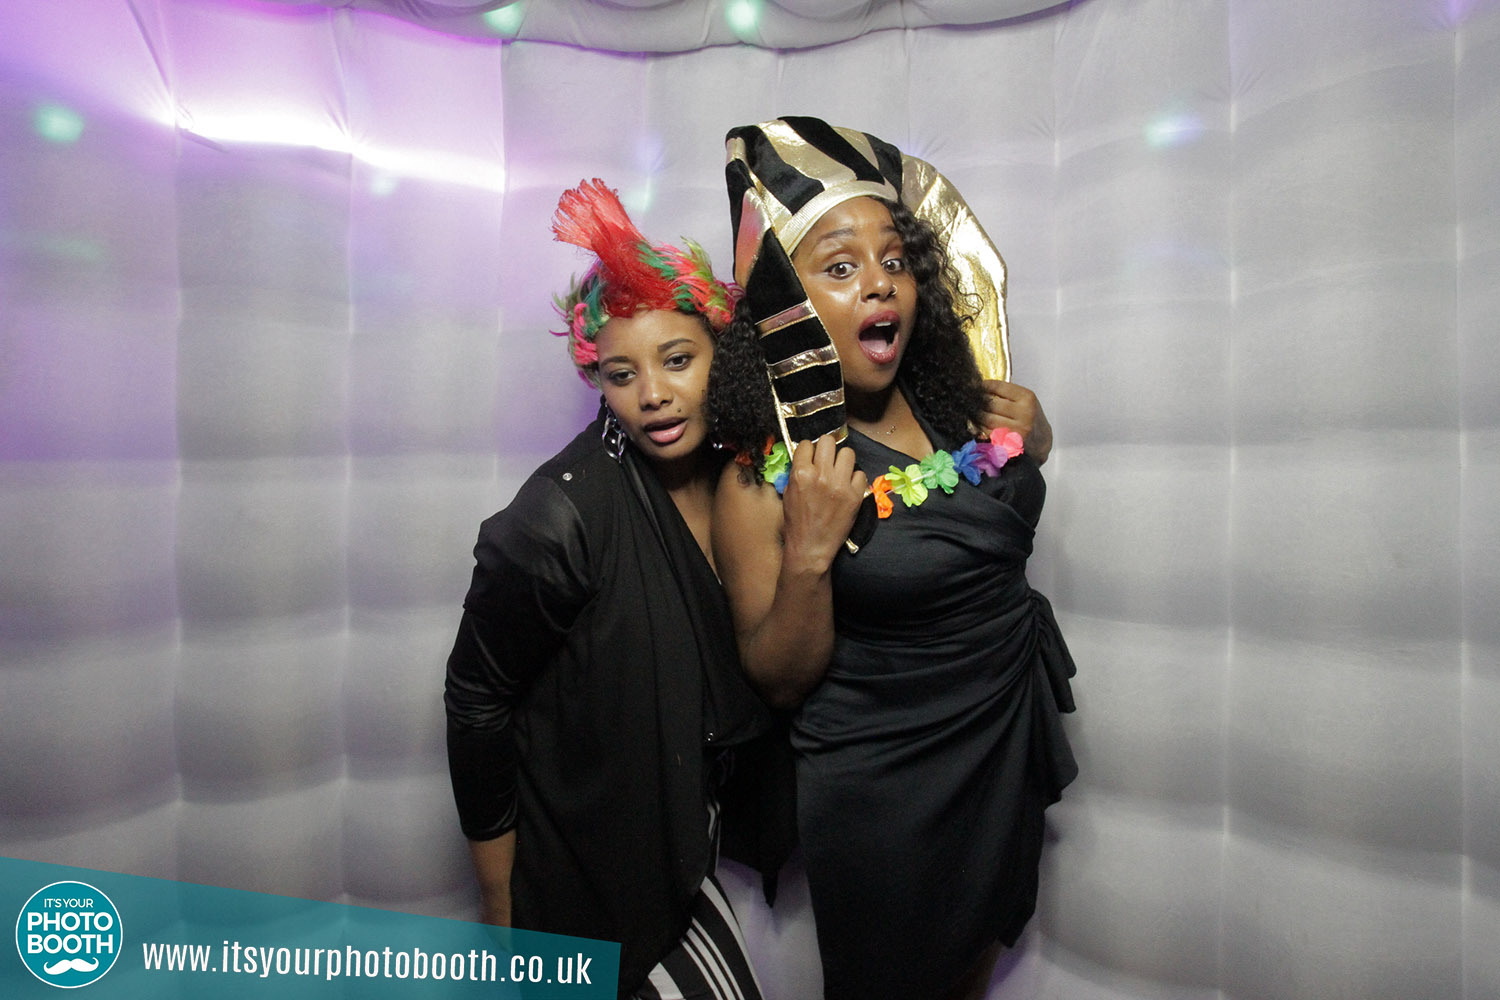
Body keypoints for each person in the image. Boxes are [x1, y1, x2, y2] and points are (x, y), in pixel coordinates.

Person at [707, 117, 1078, 1000]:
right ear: (787, 307)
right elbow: (777, 682)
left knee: (973, 968)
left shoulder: (951, 398)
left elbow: (995, 505)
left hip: (999, 735)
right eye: (840, 268)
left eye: (894, 260)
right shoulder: (760, 476)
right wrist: (810, 554)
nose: (880, 283)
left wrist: (1037, 438)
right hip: (887, 791)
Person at [444, 179, 775, 1000]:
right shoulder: (560, 515)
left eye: (678, 360)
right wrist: (499, 902)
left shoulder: (740, 470)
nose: (653, 394)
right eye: (622, 373)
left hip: (678, 848)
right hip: (581, 876)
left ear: (720, 354)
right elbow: (476, 701)